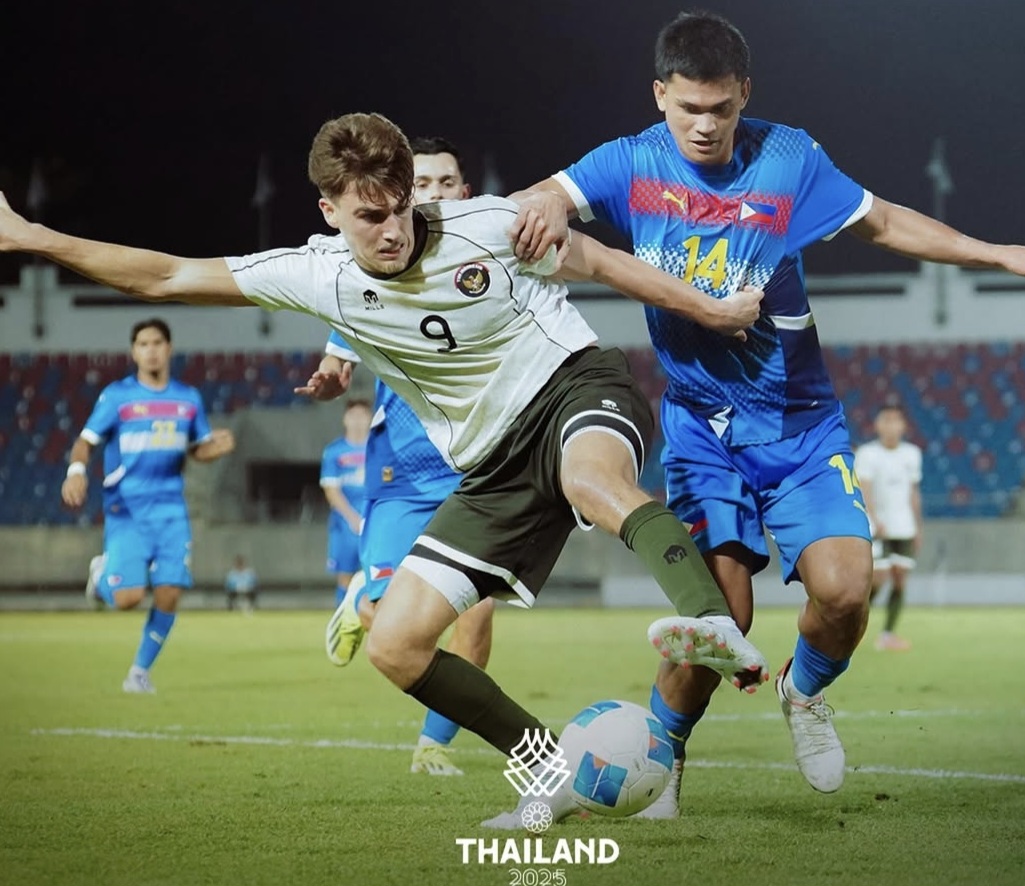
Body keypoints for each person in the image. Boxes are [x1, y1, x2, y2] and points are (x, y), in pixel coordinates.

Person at [0, 110, 770, 827]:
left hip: (574, 386)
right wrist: (36, 238)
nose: (394, 228)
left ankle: (706, 621)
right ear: (330, 210)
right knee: (393, 644)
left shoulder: (489, 224)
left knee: (590, 480)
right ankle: (547, 769)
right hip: (491, 464)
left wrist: (712, 310)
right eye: (371, 215)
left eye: (402, 205)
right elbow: (165, 277)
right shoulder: (317, 274)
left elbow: (600, 260)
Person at [509, 10, 1025, 809]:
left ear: (744, 93)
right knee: (721, 611)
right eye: (688, 109)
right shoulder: (627, 163)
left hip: (800, 424)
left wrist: (994, 252)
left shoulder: (788, 157)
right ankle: (661, 756)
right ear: (659, 94)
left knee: (847, 589)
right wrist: (540, 205)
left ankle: (802, 695)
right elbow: (545, 197)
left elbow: (880, 221)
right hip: (703, 429)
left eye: (721, 109)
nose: (705, 127)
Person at [307, 136, 495, 777]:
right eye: (426, 185)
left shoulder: (488, 266)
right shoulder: (379, 271)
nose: (437, 194)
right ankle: (363, 593)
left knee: (477, 617)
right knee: (391, 621)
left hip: (475, 474)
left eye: (448, 183)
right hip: (401, 472)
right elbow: (342, 334)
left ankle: (433, 746)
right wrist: (333, 365)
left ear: (465, 194)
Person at [61, 318, 235, 693]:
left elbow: (196, 449)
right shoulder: (117, 397)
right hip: (128, 508)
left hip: (171, 508)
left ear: (169, 348)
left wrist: (214, 449)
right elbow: (85, 442)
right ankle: (102, 575)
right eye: (143, 343)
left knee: (170, 591)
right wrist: (76, 471)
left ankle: (138, 673)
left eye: (157, 342)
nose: (151, 349)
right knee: (127, 599)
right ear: (133, 352)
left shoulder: (188, 399)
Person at [855, 405, 923, 651]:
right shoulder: (868, 453)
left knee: (900, 580)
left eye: (896, 420)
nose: (892, 425)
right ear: (878, 425)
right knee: (877, 579)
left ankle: (887, 635)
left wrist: (918, 526)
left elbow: (913, 492)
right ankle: (852, 623)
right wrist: (874, 518)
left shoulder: (912, 454)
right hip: (878, 527)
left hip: (903, 526)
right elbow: (864, 487)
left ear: (903, 426)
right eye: (887, 420)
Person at [320, 397, 372, 606]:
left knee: (380, 574)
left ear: (370, 419)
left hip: (375, 519)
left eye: (363, 415)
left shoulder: (380, 449)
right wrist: (352, 518)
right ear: (345, 419)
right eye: (353, 415)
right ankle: (344, 624)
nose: (358, 421)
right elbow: (331, 490)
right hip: (345, 524)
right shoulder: (334, 451)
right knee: (345, 577)